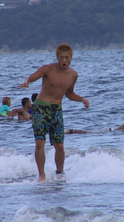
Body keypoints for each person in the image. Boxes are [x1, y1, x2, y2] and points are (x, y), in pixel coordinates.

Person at [20, 43, 89, 182]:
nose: (64, 60)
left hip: (56, 111)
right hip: (40, 109)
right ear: (57, 57)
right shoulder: (48, 69)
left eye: (67, 57)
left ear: (71, 58)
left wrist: (82, 99)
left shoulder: (73, 74)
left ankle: (59, 174)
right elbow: (32, 77)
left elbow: (69, 94)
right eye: (61, 57)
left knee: (60, 146)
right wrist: (26, 81)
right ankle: (42, 176)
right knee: (40, 143)